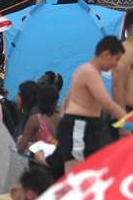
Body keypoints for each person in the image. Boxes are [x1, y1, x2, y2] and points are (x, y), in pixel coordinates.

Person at [50, 36, 125, 176]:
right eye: (116, 59)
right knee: (76, 172)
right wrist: (127, 119)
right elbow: (106, 103)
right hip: (78, 125)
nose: (115, 65)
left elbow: (67, 99)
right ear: (106, 54)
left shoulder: (85, 70)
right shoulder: (89, 72)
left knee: (82, 170)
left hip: (82, 126)